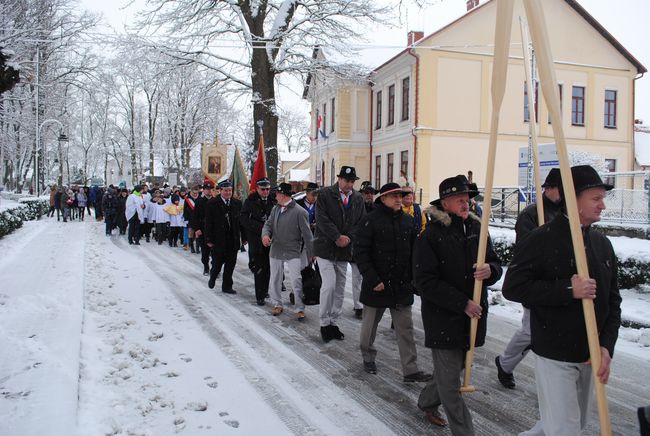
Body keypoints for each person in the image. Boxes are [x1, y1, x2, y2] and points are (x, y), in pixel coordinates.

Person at [502, 165, 621, 436]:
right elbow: (514, 287)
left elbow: (613, 300)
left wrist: (606, 346)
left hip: (589, 353)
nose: (603, 205)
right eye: (596, 198)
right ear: (574, 198)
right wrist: (568, 289)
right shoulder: (541, 239)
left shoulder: (603, 244)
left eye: (603, 198)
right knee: (565, 429)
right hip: (555, 353)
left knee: (572, 425)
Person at [413, 175, 502, 434]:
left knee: (451, 372)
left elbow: (495, 264)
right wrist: (461, 302)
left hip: (473, 318)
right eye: (460, 200)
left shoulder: (477, 228)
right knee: (451, 385)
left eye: (468, 199)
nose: (467, 205)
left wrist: (491, 271)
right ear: (445, 202)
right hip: (444, 318)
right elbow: (424, 282)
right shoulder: (430, 235)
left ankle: (427, 400)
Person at [354, 182, 432, 383]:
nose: (399, 199)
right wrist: (373, 279)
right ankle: (368, 357)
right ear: (383, 198)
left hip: (400, 286)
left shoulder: (407, 221)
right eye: (395, 196)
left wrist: (414, 279)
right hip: (376, 286)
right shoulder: (370, 221)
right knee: (368, 331)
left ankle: (411, 369)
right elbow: (361, 254)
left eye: (401, 195)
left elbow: (415, 254)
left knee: (406, 330)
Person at [495, 168, 562, 389]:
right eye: (559, 189)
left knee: (551, 333)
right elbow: (524, 247)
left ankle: (556, 379)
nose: (563, 194)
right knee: (531, 332)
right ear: (548, 189)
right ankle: (505, 364)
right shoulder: (532, 214)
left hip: (559, 282)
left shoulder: (566, 213)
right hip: (536, 281)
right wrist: (544, 238)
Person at [314, 165, 366, 342]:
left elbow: (360, 222)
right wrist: (336, 236)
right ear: (339, 179)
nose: (350, 184)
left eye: (352, 181)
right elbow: (321, 219)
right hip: (325, 248)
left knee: (339, 288)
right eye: (347, 180)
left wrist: (348, 238)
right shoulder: (326, 194)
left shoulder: (358, 198)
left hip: (344, 250)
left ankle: (333, 322)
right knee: (328, 285)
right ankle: (323, 323)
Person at [262, 182, 314, 319]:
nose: (275, 196)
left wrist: (311, 253)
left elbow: (308, 235)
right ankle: (277, 304)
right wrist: (265, 235)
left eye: (277, 194)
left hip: (293, 251)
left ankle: (300, 308)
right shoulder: (275, 209)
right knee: (275, 279)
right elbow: (268, 225)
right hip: (276, 249)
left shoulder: (300, 212)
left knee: (296, 280)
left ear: (284, 195)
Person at [204, 180, 245, 294]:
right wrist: (208, 239)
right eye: (225, 190)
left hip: (233, 239)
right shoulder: (212, 203)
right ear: (220, 191)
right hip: (218, 239)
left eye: (230, 190)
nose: (228, 193)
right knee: (217, 263)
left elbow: (241, 222)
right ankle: (213, 276)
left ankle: (227, 286)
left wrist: (244, 237)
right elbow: (208, 223)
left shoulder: (237, 203)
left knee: (230, 264)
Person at [241, 178, 274, 305]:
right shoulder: (250, 201)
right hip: (256, 239)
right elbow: (244, 219)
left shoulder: (273, 200)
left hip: (271, 239)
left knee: (268, 267)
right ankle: (259, 295)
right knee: (259, 267)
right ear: (257, 189)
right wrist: (261, 227)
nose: (265, 191)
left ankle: (265, 290)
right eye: (263, 189)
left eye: (267, 189)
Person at [193, 182, 214, 275]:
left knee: (216, 252)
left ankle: (215, 268)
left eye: (211, 189)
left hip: (214, 231)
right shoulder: (199, 202)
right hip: (203, 230)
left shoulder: (216, 201)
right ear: (204, 190)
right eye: (207, 189)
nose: (209, 191)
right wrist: (197, 229)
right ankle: (206, 266)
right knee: (205, 252)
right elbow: (195, 217)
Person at [184, 185, 200, 252]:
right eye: (194, 193)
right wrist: (186, 219)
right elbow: (185, 209)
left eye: (196, 193)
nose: (195, 194)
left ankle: (197, 248)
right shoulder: (187, 199)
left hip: (198, 218)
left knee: (197, 233)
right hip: (190, 217)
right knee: (191, 232)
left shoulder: (200, 198)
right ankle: (192, 248)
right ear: (191, 192)